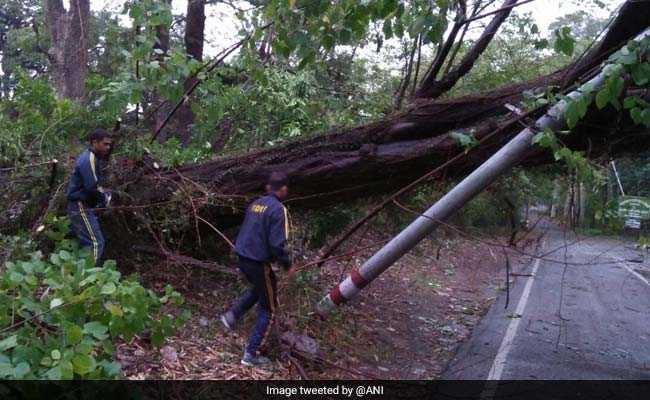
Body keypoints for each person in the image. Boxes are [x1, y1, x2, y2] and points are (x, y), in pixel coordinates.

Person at [221, 171, 292, 367]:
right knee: (269, 308)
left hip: (242, 258)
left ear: (268, 187)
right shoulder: (278, 210)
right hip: (258, 263)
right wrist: (288, 264)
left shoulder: (255, 204)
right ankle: (251, 353)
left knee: (260, 289)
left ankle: (232, 316)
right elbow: (278, 245)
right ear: (283, 189)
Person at [66, 128, 113, 267]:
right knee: (96, 242)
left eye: (109, 144)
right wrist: (105, 199)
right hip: (79, 205)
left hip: (80, 204)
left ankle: (78, 274)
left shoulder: (90, 157)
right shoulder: (89, 159)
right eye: (105, 144)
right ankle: (86, 278)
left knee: (87, 243)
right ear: (94, 142)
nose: (108, 147)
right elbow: (92, 186)